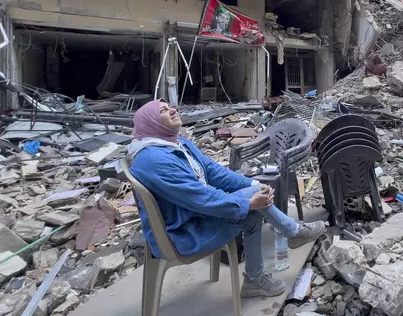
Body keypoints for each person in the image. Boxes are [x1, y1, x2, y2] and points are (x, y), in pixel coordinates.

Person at [127, 100, 326, 298]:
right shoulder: (155, 160)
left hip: (195, 217)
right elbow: (200, 197)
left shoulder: (174, 143)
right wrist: (248, 201)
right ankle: (293, 231)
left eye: (170, 106)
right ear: (151, 122)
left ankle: (254, 279)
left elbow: (213, 172)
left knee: (252, 212)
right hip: (182, 233)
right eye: (163, 110)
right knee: (251, 206)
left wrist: (253, 185)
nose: (172, 110)